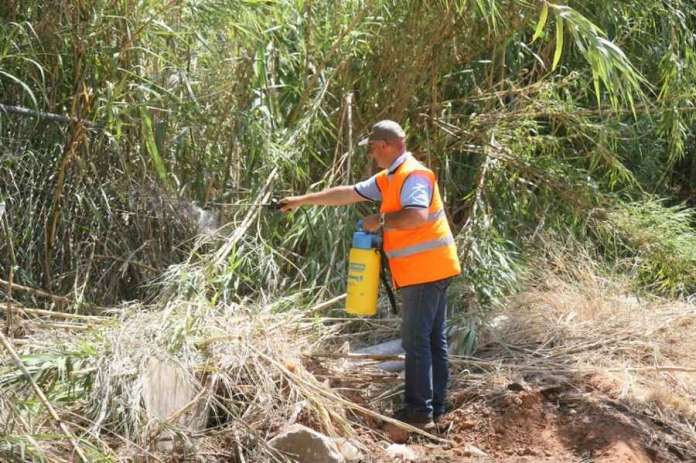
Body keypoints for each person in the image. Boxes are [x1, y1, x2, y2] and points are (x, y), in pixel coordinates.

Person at [280, 120, 461, 428]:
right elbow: (348, 193)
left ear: (386, 145)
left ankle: (419, 413)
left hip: (426, 270)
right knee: (431, 339)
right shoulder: (390, 178)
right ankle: (435, 406)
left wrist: (379, 220)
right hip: (432, 267)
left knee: (416, 339)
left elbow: (416, 216)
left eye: (373, 149)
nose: (371, 156)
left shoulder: (413, 175)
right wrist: (301, 201)